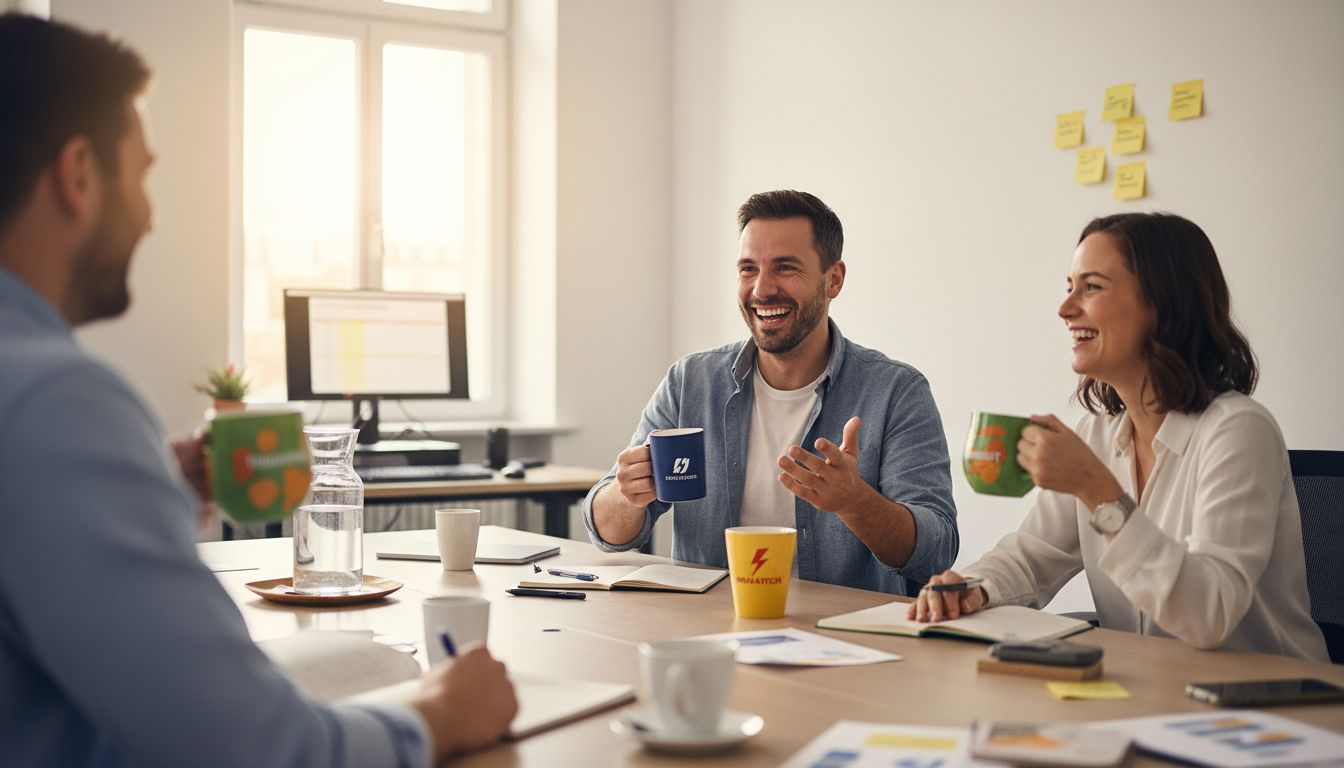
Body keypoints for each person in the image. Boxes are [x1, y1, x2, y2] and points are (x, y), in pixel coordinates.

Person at [0, 14, 516, 767]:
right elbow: (262, 748)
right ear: (78, 174)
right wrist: (441, 712)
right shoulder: (58, 402)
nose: (149, 214)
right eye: (141, 175)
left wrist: (149, 488)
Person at [909, 212, 1329, 661]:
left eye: (1092, 287)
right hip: (1151, 690)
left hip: (1276, 704)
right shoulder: (1096, 434)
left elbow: (1209, 616)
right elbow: (1034, 554)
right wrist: (974, 588)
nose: (1065, 308)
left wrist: (1096, 489)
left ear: (1163, 304)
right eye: (1069, 287)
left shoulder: (1239, 431)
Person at [583, 190, 957, 595]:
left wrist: (856, 503)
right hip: (710, 633)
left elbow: (937, 550)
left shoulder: (896, 392)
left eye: (785, 268)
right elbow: (609, 534)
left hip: (845, 640)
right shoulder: (690, 382)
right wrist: (625, 495)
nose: (762, 289)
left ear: (833, 279)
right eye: (748, 269)